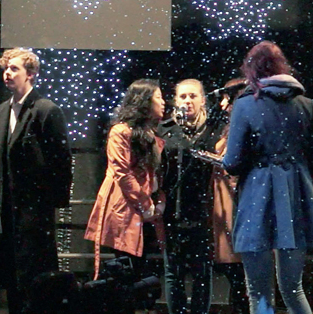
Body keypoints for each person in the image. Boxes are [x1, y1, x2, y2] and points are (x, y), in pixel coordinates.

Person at [221, 41, 313, 314]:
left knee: (259, 290)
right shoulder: (306, 105)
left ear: (252, 70)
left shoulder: (245, 105)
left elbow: (232, 162)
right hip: (296, 196)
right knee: (293, 288)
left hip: (257, 197)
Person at [0, 48, 73, 314]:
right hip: (7, 210)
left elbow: (61, 159)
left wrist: (51, 202)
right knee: (12, 276)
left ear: (31, 74)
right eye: (6, 68)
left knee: (36, 277)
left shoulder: (46, 110)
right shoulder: (1, 112)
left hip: (34, 210)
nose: (7, 73)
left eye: (14, 68)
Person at [84, 79, 167, 281]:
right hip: (125, 207)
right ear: (145, 102)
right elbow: (122, 173)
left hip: (147, 209)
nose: (164, 102)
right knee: (126, 268)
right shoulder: (121, 131)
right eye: (158, 97)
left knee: (143, 269)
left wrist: (157, 201)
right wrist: (145, 203)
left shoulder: (155, 134)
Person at [158, 78, 220, 314]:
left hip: (204, 214)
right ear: (175, 100)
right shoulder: (165, 130)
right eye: (183, 96)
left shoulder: (214, 130)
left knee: (202, 274)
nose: (187, 101)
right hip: (172, 212)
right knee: (173, 274)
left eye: (193, 96)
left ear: (203, 100)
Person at [210, 78, 249, 314]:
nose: (222, 104)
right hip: (225, 203)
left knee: (240, 274)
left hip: (236, 204)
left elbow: (234, 165)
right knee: (236, 275)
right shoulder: (230, 126)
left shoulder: (241, 127)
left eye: (227, 98)